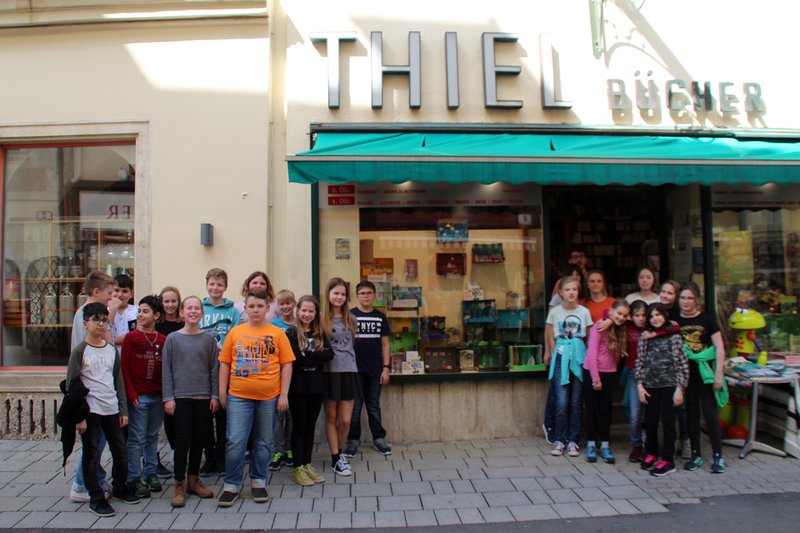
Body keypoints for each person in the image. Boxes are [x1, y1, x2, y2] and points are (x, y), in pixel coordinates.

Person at [217, 287, 294, 507]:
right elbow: (225, 364)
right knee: (235, 441)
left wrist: (283, 395)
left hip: (269, 397)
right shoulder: (236, 333)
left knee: (263, 442)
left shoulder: (277, 333)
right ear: (245, 308)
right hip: (238, 396)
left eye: (260, 306)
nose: (255, 310)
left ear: (268, 308)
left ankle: (259, 481)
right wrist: (222, 392)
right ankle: (231, 484)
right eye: (251, 306)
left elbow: (287, 365)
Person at [67, 302, 138, 517]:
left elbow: (118, 381)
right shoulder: (80, 351)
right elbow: (72, 386)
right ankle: (96, 498)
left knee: (120, 452)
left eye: (104, 320)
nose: (100, 324)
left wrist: (123, 410)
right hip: (91, 410)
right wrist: (79, 418)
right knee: (92, 455)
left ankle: (119, 488)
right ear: (85, 324)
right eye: (95, 320)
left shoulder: (110, 350)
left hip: (111, 409)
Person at [69, 271, 122, 503]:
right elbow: (106, 346)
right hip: (92, 392)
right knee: (95, 442)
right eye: (109, 293)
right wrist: (111, 313)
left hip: (97, 391)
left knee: (97, 441)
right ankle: (81, 485)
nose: (112, 297)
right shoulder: (91, 315)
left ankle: (95, 478)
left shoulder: (84, 313)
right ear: (96, 291)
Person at [162, 295, 219, 507]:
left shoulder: (208, 339)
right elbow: (166, 370)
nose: (193, 311)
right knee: (182, 439)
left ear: (202, 313)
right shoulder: (173, 339)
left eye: (197, 308)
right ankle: (179, 482)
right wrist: (168, 398)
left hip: (203, 397)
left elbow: (214, 369)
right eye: (189, 308)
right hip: (180, 398)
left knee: (199, 439)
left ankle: (193, 480)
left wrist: (215, 395)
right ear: (182, 313)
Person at [675, 281, 727, 474]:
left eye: (689, 298)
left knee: (710, 414)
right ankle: (696, 454)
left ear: (697, 300)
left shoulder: (707, 319)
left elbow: (719, 347)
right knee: (691, 415)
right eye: (682, 298)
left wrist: (719, 373)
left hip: (705, 374)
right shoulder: (674, 320)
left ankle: (718, 456)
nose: (685, 302)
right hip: (685, 374)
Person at [121, 295, 167, 499]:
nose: (140, 315)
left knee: (152, 436)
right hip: (138, 397)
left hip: (157, 396)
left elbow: (166, 370)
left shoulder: (163, 340)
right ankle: (133, 477)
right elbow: (124, 368)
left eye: (145, 311)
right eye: (139, 311)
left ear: (156, 316)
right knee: (136, 438)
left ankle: (151, 472)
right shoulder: (131, 338)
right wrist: (131, 393)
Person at [635, 303, 689, 477]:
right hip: (650, 386)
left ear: (665, 316)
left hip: (669, 386)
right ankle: (651, 453)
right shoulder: (645, 337)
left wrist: (680, 388)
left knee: (668, 423)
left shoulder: (674, 337)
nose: (655, 318)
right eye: (651, 316)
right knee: (650, 422)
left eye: (658, 314)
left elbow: (682, 364)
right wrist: (640, 385)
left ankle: (668, 459)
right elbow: (640, 361)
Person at [286, 295, 334, 486]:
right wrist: (315, 355)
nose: (307, 314)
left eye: (311, 311)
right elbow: (297, 359)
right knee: (299, 426)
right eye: (304, 310)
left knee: (310, 426)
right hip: (298, 387)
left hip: (316, 386)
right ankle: (297, 467)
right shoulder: (291, 332)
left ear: (316, 313)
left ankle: (307, 463)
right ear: (298, 311)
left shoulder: (319, 332)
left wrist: (308, 353)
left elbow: (329, 355)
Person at [544, 276, 592, 457]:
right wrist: (550, 351)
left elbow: (589, 338)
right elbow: (550, 333)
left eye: (574, 289)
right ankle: (559, 439)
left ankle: (573, 440)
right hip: (561, 355)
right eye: (568, 289)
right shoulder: (555, 312)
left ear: (578, 292)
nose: (571, 292)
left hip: (579, 357)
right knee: (562, 400)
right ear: (560, 293)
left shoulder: (584, 311)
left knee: (576, 401)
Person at [343, 281, 392, 458]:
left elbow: (385, 345)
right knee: (355, 408)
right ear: (357, 296)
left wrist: (386, 368)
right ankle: (352, 441)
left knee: (373, 406)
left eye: (369, 293)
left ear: (375, 296)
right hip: (354, 370)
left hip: (375, 370)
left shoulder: (380, 317)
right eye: (362, 293)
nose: (366, 296)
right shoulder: (349, 316)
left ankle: (379, 438)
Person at [199, 268, 240, 477]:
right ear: (207, 285)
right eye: (212, 284)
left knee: (223, 415)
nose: (215, 288)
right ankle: (209, 456)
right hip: (203, 369)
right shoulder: (200, 308)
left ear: (225, 287)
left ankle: (222, 456)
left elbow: (236, 337)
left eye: (219, 285)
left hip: (225, 368)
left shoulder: (232, 312)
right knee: (205, 416)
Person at [321, 277, 361, 476]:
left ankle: (340, 452)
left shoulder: (351, 319)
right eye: (336, 293)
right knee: (331, 417)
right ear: (328, 294)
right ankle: (336, 458)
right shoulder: (321, 318)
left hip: (349, 371)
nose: (339, 297)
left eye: (343, 294)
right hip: (329, 372)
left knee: (345, 420)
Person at [583, 299, 629, 464]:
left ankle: (604, 444)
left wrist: (612, 320)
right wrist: (596, 379)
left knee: (605, 410)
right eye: (619, 313)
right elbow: (592, 352)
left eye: (625, 315)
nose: (621, 317)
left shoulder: (619, 327)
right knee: (592, 409)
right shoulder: (600, 326)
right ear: (611, 311)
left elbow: (634, 318)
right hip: (592, 371)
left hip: (609, 373)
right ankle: (590, 444)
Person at [659, 279, 692, 459]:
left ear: (676, 296)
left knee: (680, 406)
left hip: (677, 364)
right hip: (661, 366)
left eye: (670, 293)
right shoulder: (657, 310)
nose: (665, 295)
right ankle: (670, 443)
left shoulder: (679, 315)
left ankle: (685, 439)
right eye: (663, 291)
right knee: (667, 408)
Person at [155, 286, 184, 477]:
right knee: (165, 416)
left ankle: (178, 451)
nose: (170, 305)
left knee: (178, 416)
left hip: (180, 375)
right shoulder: (157, 325)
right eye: (166, 301)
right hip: (160, 375)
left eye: (174, 301)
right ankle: (166, 452)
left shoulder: (183, 323)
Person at [268, 289, 297, 471]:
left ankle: (289, 449)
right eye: (282, 304)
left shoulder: (299, 324)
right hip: (276, 375)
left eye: (288, 303)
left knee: (292, 415)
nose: (285, 306)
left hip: (296, 375)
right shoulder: (273, 325)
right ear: (278, 306)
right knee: (278, 416)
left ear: (294, 303)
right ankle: (278, 451)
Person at [111, 274, 138, 353]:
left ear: (132, 294)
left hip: (132, 354)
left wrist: (113, 341)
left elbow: (137, 335)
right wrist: (112, 310)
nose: (120, 295)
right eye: (116, 290)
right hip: (112, 355)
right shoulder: (105, 311)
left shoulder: (137, 310)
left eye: (124, 291)